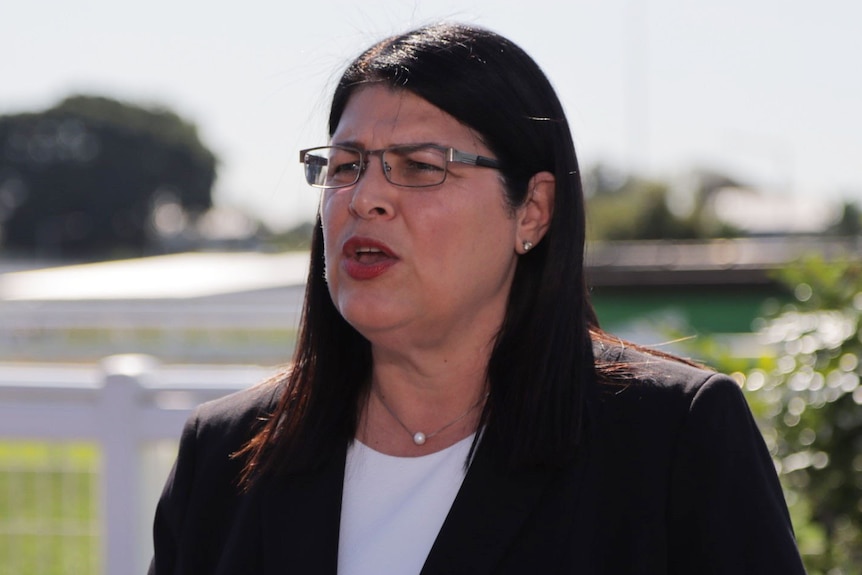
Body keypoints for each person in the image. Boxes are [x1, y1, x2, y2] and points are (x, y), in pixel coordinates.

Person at [149, 22, 806, 574]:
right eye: (345, 165)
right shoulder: (227, 451)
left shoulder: (673, 438)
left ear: (533, 211)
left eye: (420, 167)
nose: (364, 197)